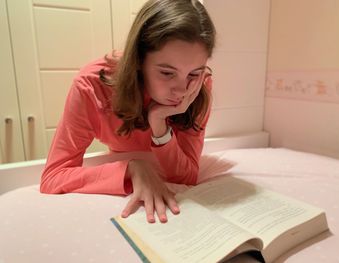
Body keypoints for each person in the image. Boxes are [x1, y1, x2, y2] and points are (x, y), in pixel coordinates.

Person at [40, 0, 216, 224]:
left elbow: (186, 176)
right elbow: (53, 177)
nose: (182, 90)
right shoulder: (92, 87)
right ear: (139, 60)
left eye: (193, 73)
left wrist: (159, 123)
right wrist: (131, 169)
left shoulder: (200, 86)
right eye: (166, 73)